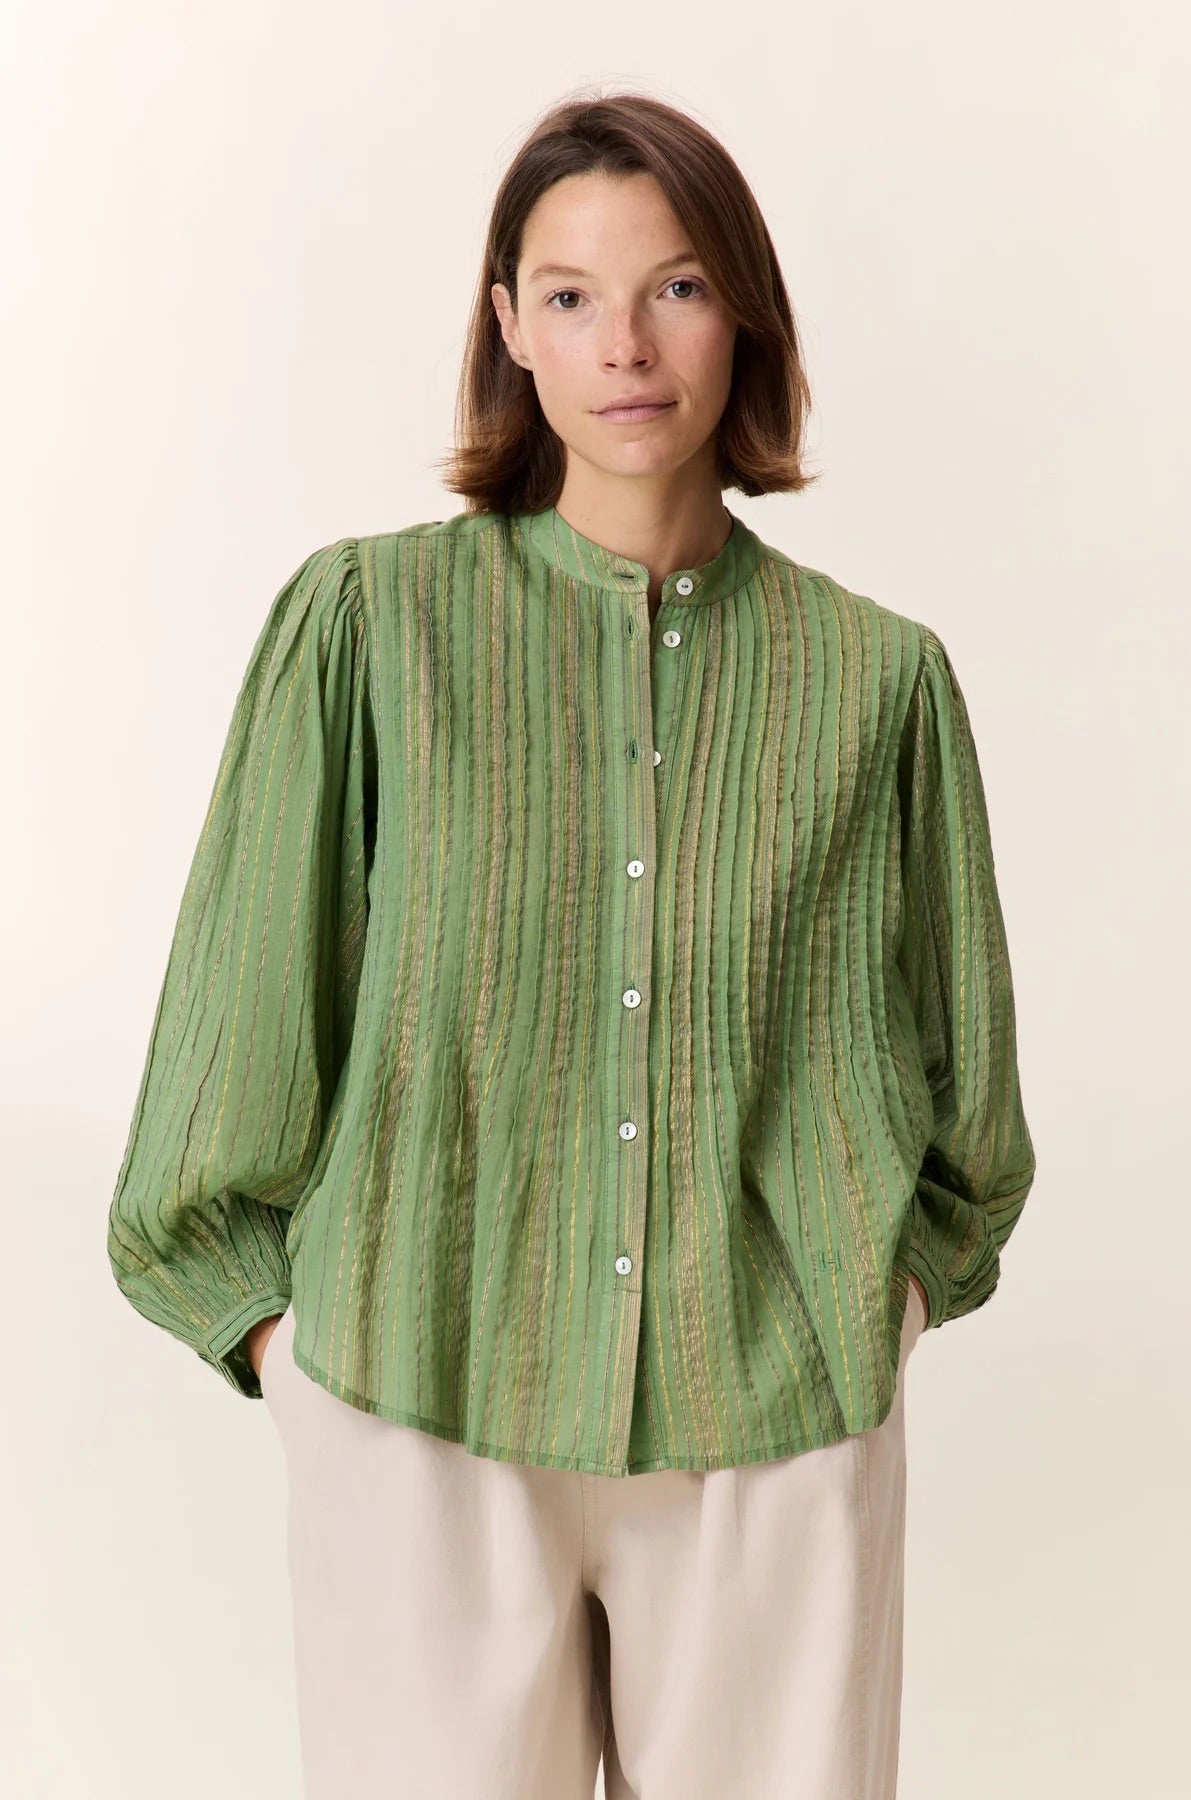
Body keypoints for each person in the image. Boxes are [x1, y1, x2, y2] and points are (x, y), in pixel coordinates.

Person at [107, 90, 1036, 1800]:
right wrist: (296, 1367)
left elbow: (967, 1107)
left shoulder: (878, 681)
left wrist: (884, 1307)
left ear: (741, 312)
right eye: (569, 294)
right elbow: (237, 1039)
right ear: (505, 325)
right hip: (420, 1398)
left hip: (780, 1412)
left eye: (675, 289)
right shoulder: (370, 630)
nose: (624, 344)